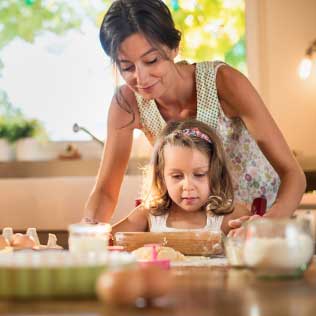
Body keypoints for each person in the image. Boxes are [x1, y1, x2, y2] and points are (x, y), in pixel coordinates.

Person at [83, 0, 305, 227]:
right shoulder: (127, 104)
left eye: (151, 61)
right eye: (127, 67)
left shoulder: (224, 82)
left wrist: (267, 225)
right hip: (199, 229)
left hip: (258, 218)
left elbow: (294, 176)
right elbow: (106, 191)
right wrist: (89, 232)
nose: (141, 78)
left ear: (173, 47)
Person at [111, 119, 249, 235]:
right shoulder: (148, 215)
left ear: (216, 172)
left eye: (199, 174)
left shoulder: (232, 216)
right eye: (177, 176)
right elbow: (109, 240)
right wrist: (94, 230)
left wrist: (255, 231)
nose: (188, 186)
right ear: (161, 176)